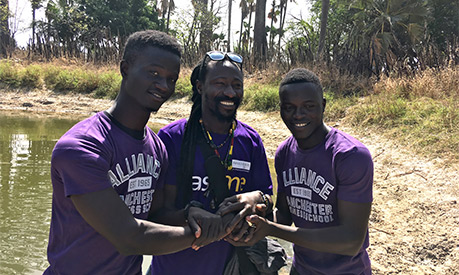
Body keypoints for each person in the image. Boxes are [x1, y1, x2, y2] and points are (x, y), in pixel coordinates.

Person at [44, 30, 197, 275]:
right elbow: (129, 238)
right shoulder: (81, 147)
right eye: (154, 73)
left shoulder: (157, 148)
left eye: (172, 78)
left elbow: (155, 216)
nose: (164, 85)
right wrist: (202, 235)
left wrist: (191, 215)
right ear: (125, 68)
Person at [235, 68, 374, 274]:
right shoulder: (284, 153)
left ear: (323, 105)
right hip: (301, 269)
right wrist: (252, 217)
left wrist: (271, 229)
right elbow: (284, 216)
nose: (298, 115)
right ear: (280, 109)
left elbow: (351, 241)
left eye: (308, 106)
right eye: (289, 107)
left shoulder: (350, 156)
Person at [149, 51, 274, 275]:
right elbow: (154, 215)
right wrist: (190, 215)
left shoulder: (251, 141)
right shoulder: (172, 139)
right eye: (220, 83)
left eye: (237, 85)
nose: (229, 92)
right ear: (199, 86)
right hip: (174, 268)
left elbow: (269, 205)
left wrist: (256, 198)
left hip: (231, 268)